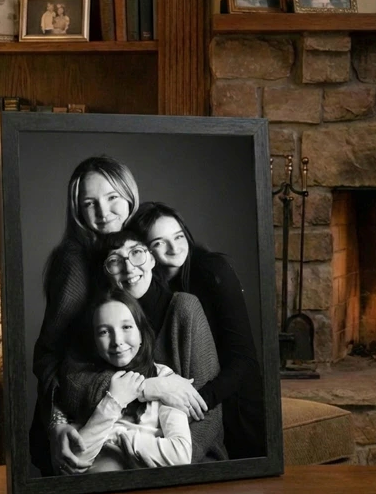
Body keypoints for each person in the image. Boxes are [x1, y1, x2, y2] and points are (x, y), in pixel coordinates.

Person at [58, 228, 227, 471]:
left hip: (186, 456)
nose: (129, 268)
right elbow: (73, 385)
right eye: (115, 261)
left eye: (137, 253)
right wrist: (148, 387)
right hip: (117, 459)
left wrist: (182, 468)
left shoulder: (184, 308)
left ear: (151, 257)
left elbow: (204, 407)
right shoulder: (98, 314)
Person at [30, 155, 141, 476]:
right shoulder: (74, 261)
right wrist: (57, 423)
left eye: (112, 198)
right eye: (89, 203)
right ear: (77, 210)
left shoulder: (136, 250)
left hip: (128, 411)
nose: (104, 212)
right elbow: (49, 353)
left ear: (130, 197)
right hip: (81, 412)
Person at [129, 202, 266, 459]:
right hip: (179, 412)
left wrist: (190, 403)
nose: (175, 247)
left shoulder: (213, 272)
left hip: (233, 402)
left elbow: (244, 359)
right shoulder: (144, 289)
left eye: (179, 236)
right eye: (159, 242)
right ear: (143, 251)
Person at [62, 290, 192, 473]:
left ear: (141, 332)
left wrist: (116, 437)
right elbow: (75, 463)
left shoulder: (163, 377)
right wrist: (113, 401)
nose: (117, 341)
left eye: (126, 327)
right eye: (104, 331)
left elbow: (180, 455)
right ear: (94, 341)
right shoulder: (85, 384)